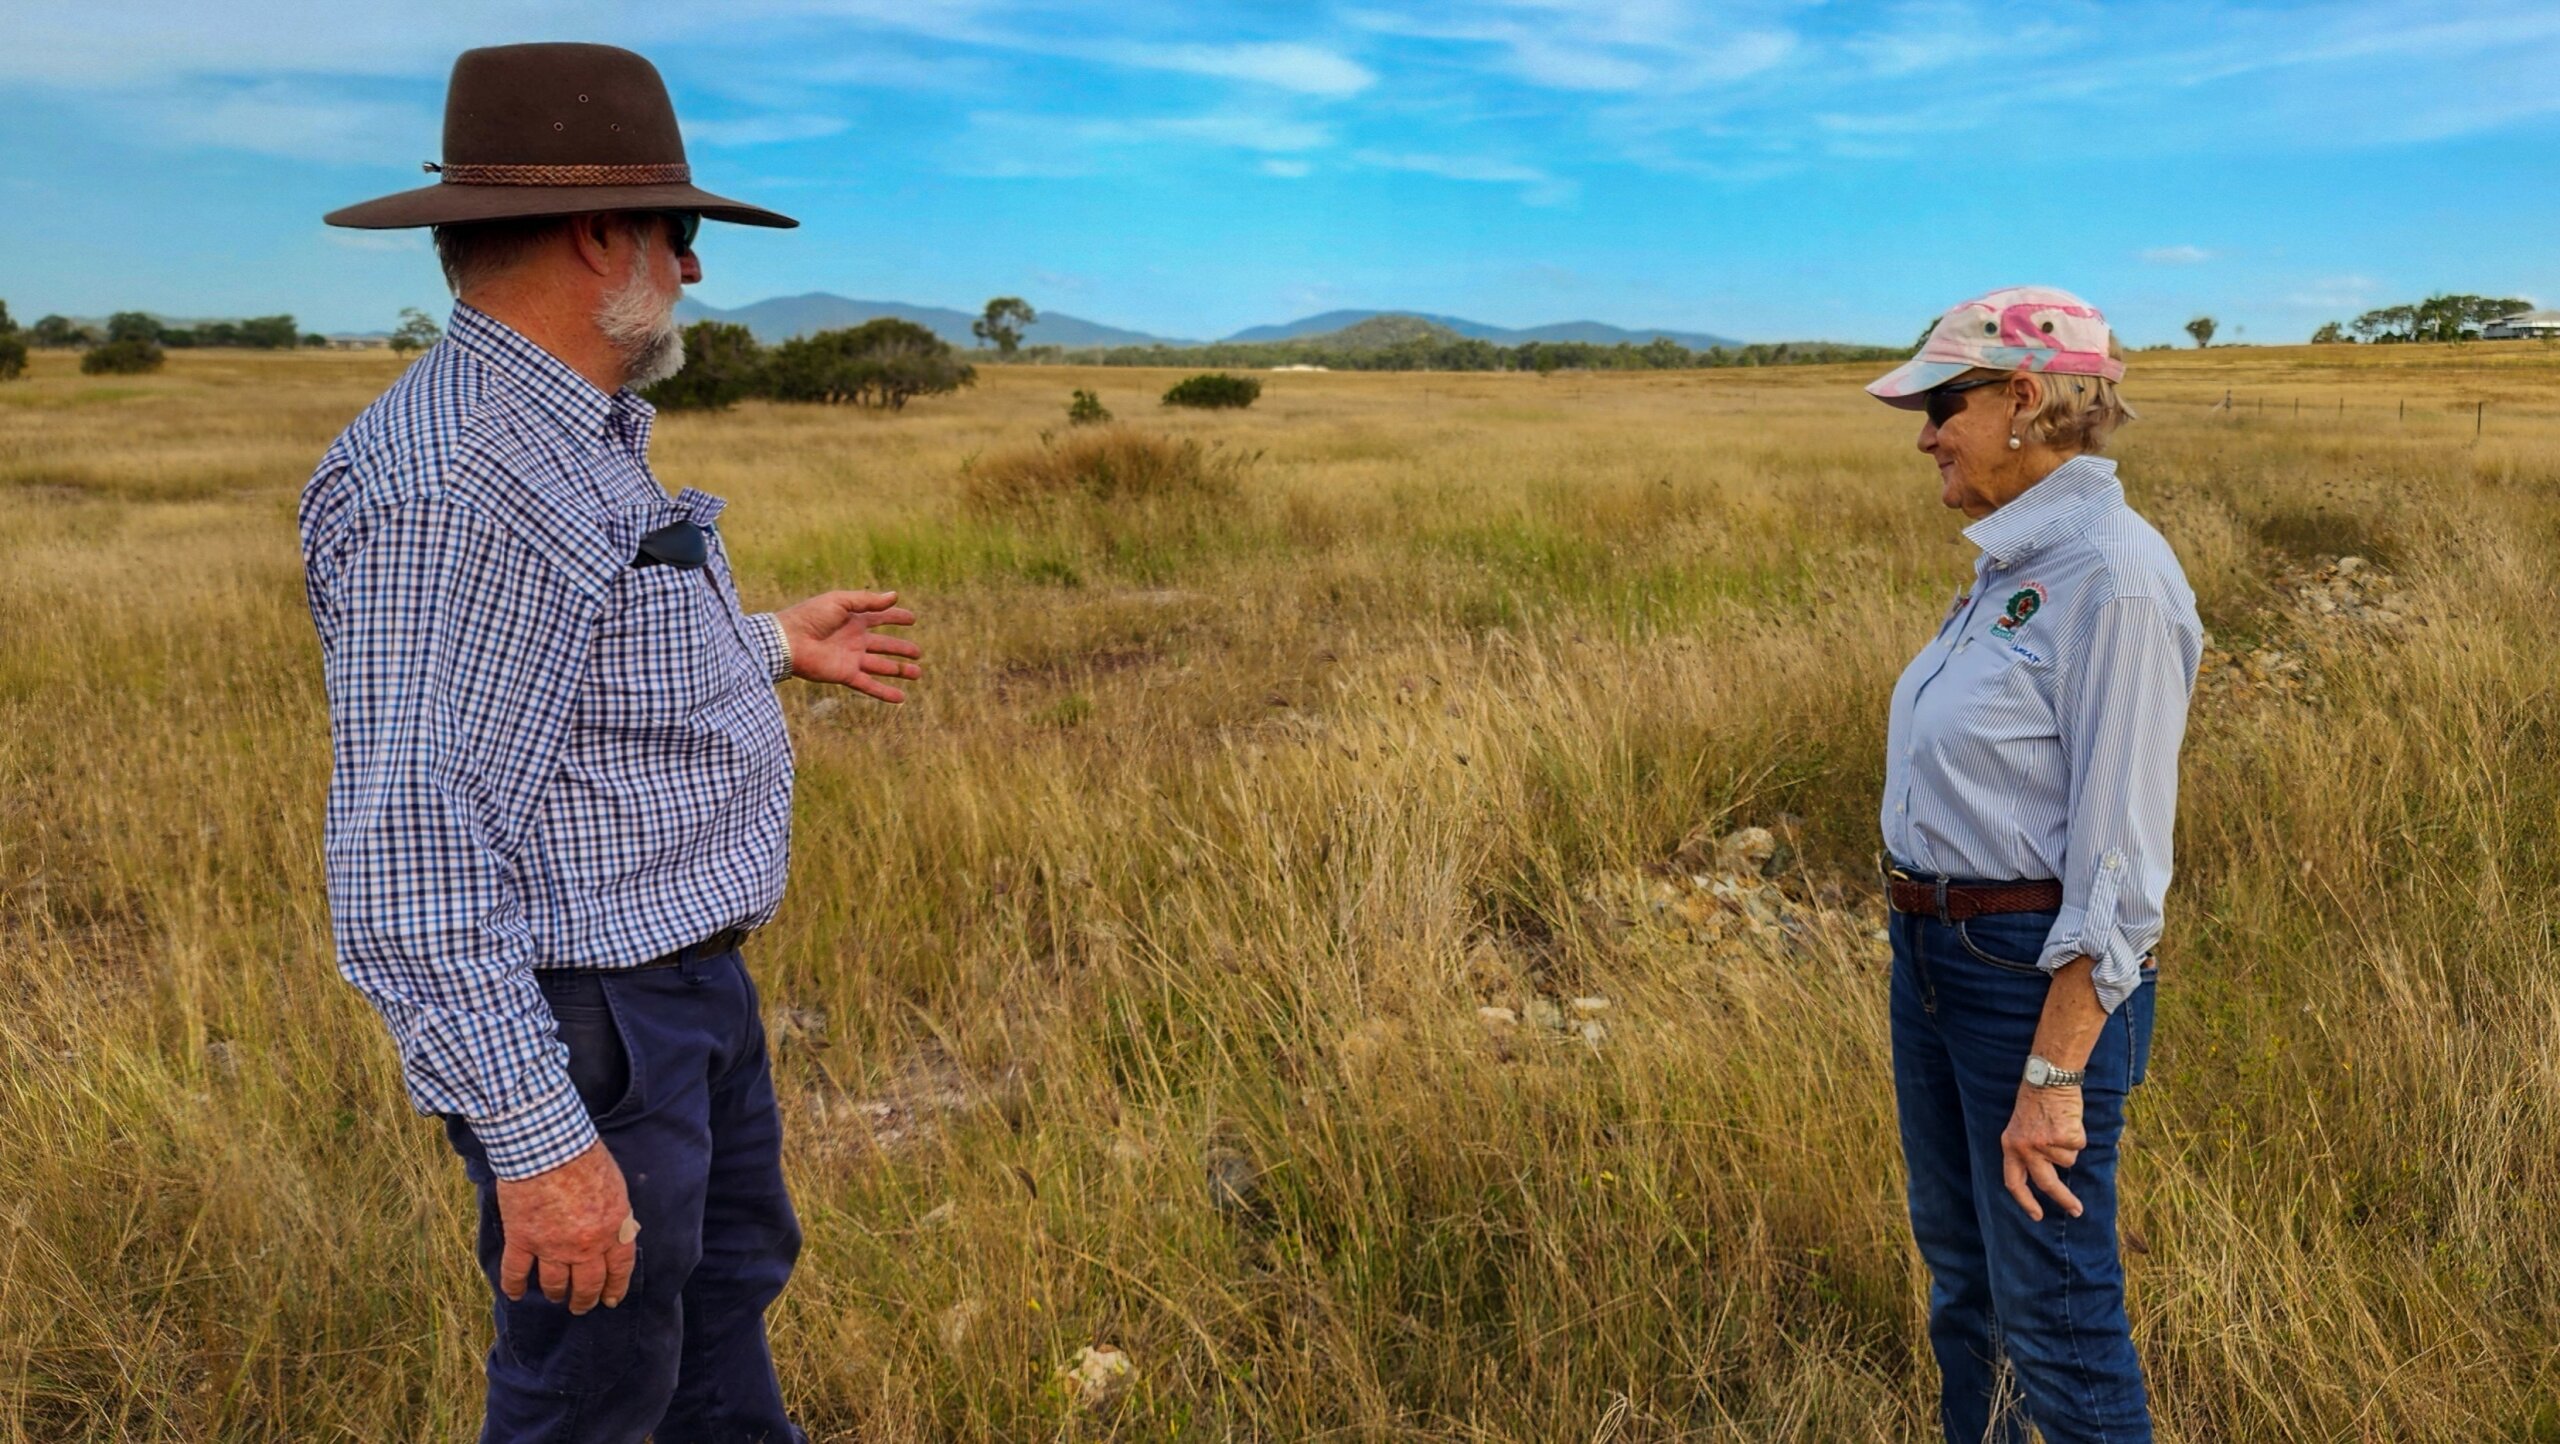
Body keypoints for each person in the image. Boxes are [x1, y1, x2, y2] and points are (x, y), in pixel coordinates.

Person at [302, 43, 921, 1442]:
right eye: (677, 230)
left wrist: (772, 642)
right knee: (591, 1393)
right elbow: (411, 855)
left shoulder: (560, 435)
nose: (690, 268)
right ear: (600, 235)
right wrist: (542, 1147)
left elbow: (574, 683)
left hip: (675, 997)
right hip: (596, 1024)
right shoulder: (458, 480)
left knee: (711, 1318)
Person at [1865, 287, 2200, 1444]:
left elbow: (2121, 865)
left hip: (2027, 977)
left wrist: (2053, 1077)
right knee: (1967, 1283)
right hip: (1935, 956)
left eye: (1939, 406)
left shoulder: (2114, 578)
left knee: (2055, 1312)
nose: (1924, 436)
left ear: (2021, 396)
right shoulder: (2019, 562)